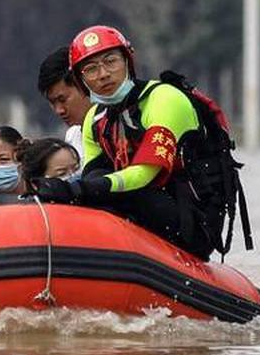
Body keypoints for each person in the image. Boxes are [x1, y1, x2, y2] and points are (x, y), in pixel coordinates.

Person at [32, 25, 215, 258]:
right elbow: (93, 177)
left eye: (111, 62)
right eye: (91, 69)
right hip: (140, 212)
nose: (103, 74)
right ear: (81, 80)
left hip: (191, 221)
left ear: (128, 62)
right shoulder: (94, 119)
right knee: (94, 187)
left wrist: (76, 188)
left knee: (108, 190)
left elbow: (144, 174)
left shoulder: (164, 99)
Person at [37, 46, 92, 161]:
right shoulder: (73, 136)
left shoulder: (116, 127)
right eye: (52, 103)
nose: (59, 110)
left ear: (84, 85)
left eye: (62, 100)